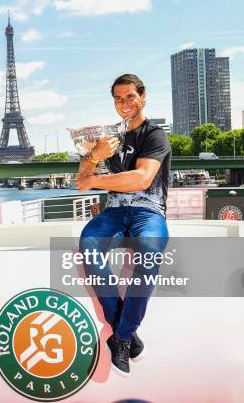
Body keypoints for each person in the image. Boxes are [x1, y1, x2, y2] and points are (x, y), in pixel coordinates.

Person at [76, 74, 171, 377]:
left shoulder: (155, 135)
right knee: (89, 245)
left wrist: (97, 180)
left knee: (150, 251)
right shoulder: (109, 138)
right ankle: (124, 332)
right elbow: (81, 181)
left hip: (147, 211)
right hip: (115, 211)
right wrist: (94, 155)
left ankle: (122, 336)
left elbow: (141, 179)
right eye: (118, 98)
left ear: (143, 96)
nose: (124, 103)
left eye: (130, 96)